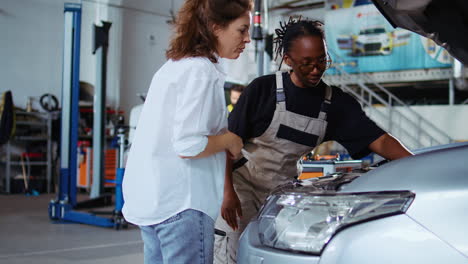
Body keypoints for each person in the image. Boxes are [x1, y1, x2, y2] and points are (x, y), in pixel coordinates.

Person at [213, 17, 413, 263]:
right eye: (307, 63)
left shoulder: (336, 104)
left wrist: (417, 165)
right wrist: (227, 192)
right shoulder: (261, 90)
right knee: (230, 253)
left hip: (280, 194)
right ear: (288, 60)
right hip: (240, 188)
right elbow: (226, 145)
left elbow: (379, 141)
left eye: (321, 60)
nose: (316, 69)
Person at [122, 0, 252, 263]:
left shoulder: (177, 66)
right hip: (182, 206)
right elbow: (188, 145)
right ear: (216, 27)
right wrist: (229, 139)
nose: (247, 39)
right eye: (241, 30)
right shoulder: (200, 71)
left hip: (155, 201)